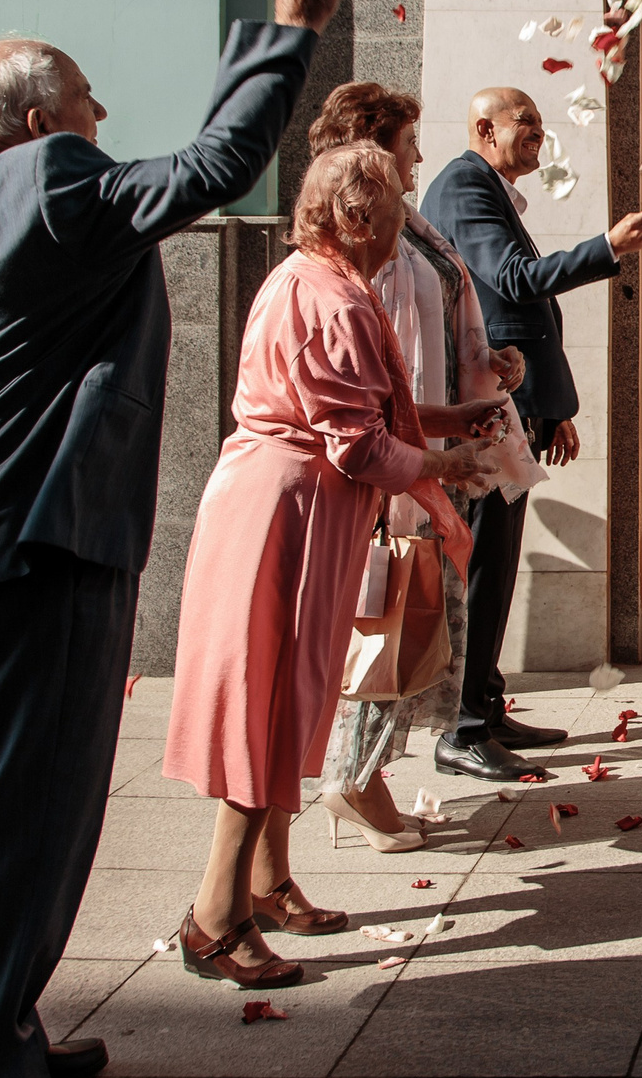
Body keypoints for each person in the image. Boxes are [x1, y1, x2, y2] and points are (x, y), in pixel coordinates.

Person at [0, 0, 356, 1078]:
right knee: (25, 826)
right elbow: (208, 173)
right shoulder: (51, 181)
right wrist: (289, 31)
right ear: (41, 122)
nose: (103, 122)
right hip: (36, 546)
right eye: (90, 103)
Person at [164, 145, 498, 985]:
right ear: (356, 218)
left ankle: (269, 881)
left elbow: (361, 410)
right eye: (391, 215)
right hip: (288, 516)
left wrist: (449, 418)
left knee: (284, 698)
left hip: (280, 504)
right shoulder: (335, 299)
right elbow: (355, 444)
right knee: (270, 703)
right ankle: (214, 916)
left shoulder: (305, 279)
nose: (400, 233)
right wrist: (444, 465)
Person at [302, 85, 536, 848]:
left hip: (437, 440)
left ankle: (368, 775)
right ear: (371, 152)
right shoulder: (372, 249)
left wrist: (487, 360)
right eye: (408, 143)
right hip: (406, 463)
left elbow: (448, 319)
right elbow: (385, 369)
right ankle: (353, 778)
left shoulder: (415, 230)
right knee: (391, 619)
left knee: (421, 621)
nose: (420, 156)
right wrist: (427, 452)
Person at [422, 88, 642, 780]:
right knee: (487, 563)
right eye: (523, 120)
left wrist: (552, 406)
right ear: (482, 128)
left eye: (538, 118)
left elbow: (508, 302)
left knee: (498, 562)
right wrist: (608, 247)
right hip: (489, 405)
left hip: (515, 400)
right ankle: (463, 729)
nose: (537, 130)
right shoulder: (466, 183)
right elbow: (516, 280)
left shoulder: (485, 186)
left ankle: (487, 707)